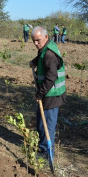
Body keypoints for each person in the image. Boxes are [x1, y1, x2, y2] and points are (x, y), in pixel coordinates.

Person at [29, 26, 66, 158]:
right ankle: (42, 146)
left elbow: (51, 78)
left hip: (52, 94)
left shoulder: (50, 54)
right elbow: (41, 57)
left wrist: (39, 94)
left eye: (38, 40)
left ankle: (46, 152)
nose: (35, 43)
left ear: (46, 37)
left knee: (47, 124)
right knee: (40, 121)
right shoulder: (45, 48)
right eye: (33, 41)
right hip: (47, 93)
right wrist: (34, 62)